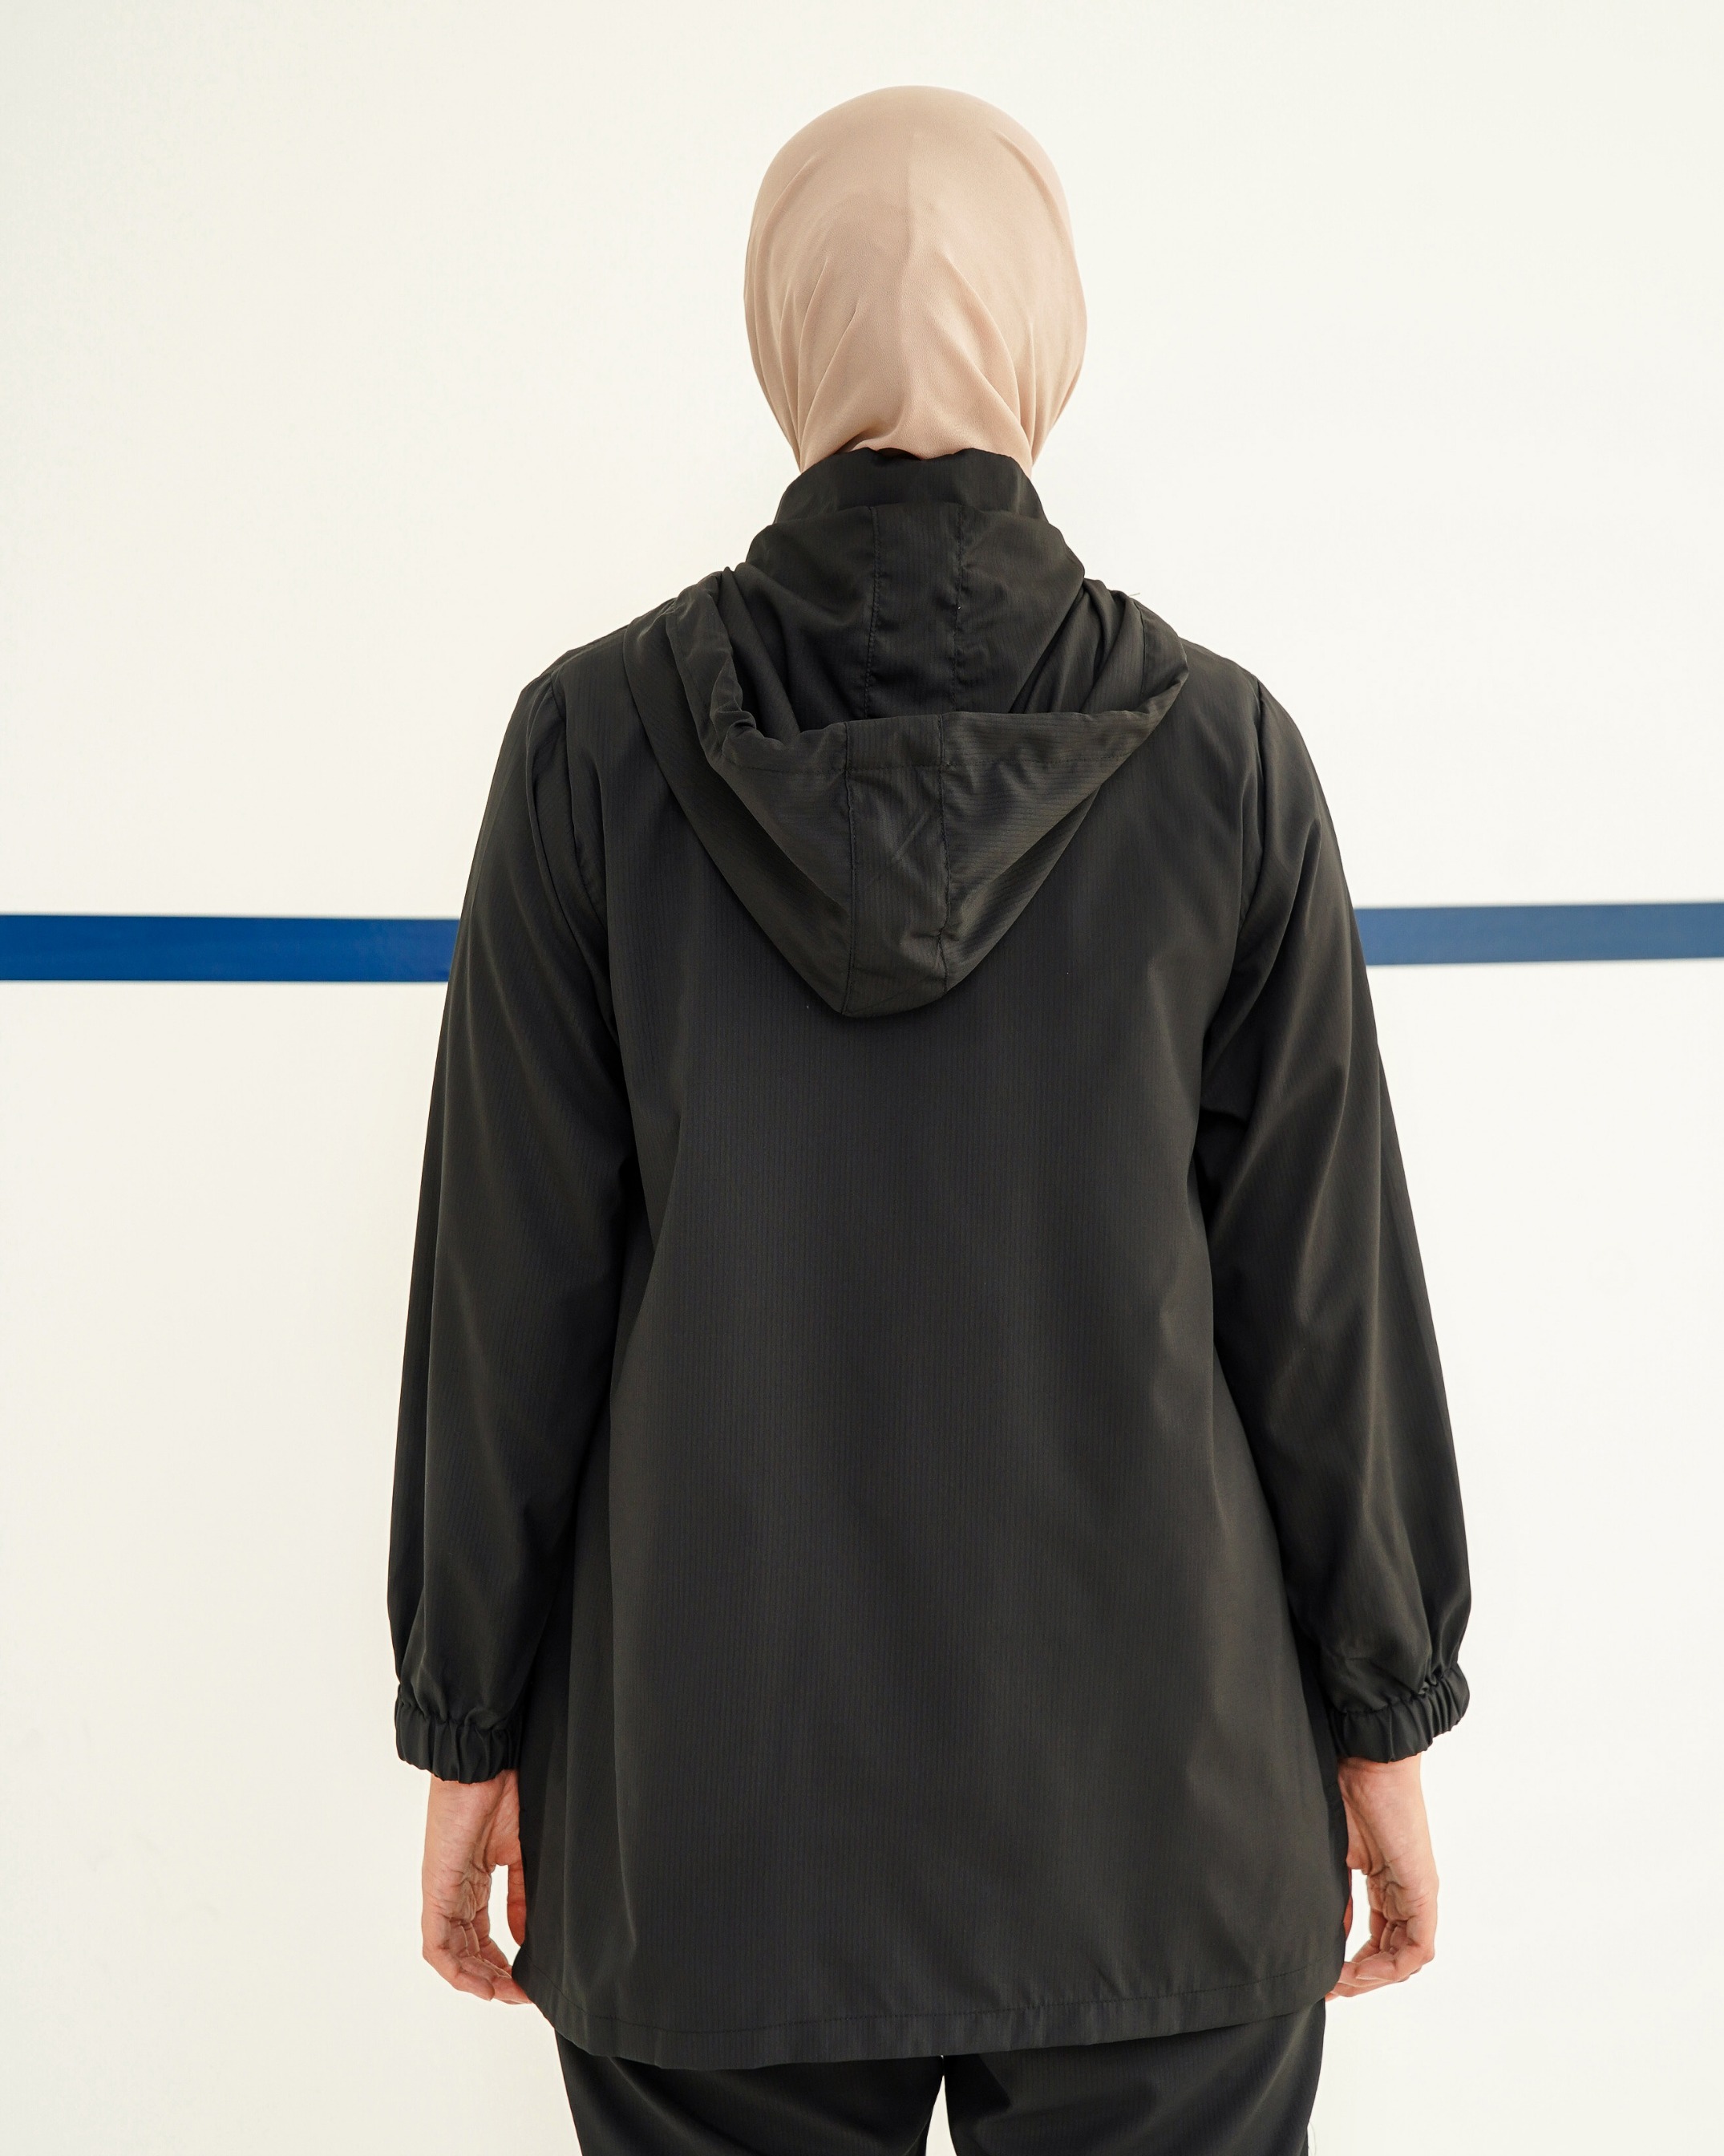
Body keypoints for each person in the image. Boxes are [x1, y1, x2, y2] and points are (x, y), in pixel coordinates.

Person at [387, 84, 1470, 2155]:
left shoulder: (590, 753)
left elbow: (506, 1303)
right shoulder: (1225, 761)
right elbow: (1318, 1312)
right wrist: (1386, 1729)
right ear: (1047, 334)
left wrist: (465, 1733)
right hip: (1166, 1836)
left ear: (779, 332)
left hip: (710, 1845)